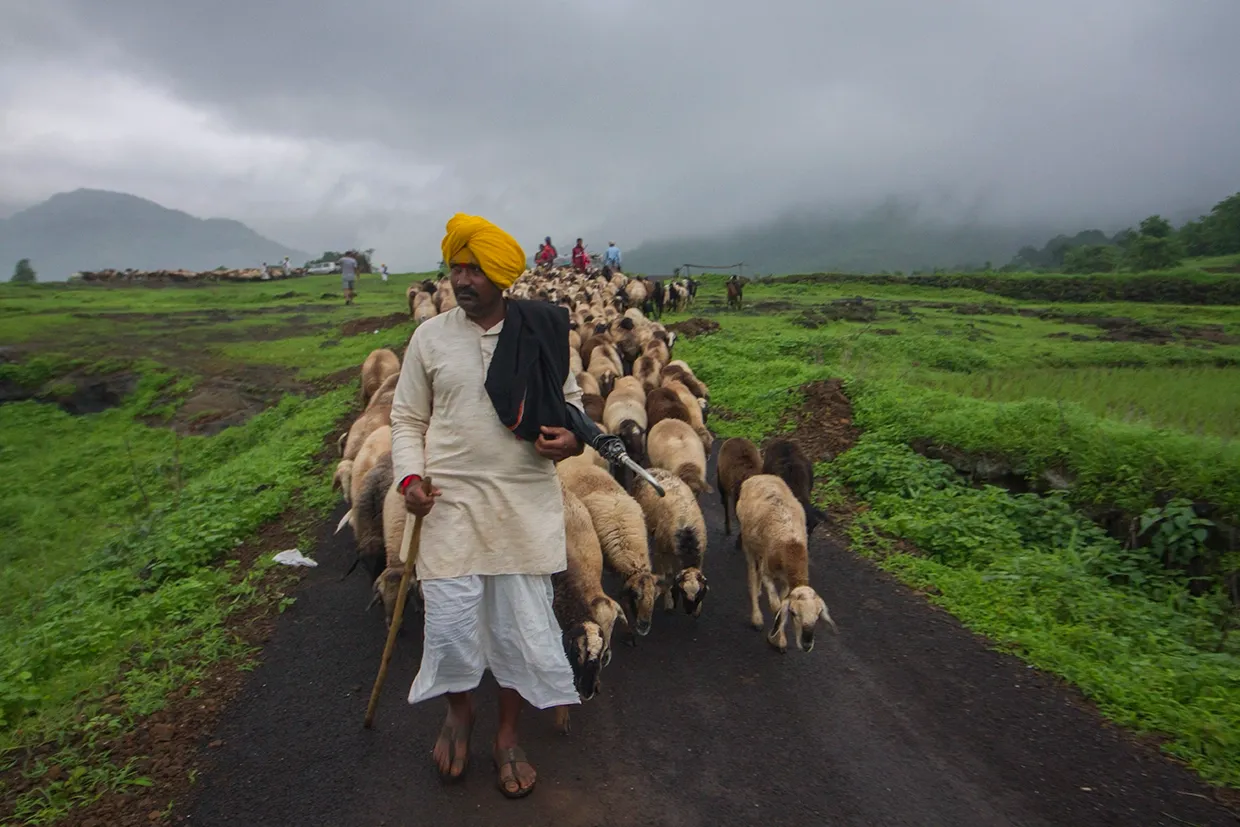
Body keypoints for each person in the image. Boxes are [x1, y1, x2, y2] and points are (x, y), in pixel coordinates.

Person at [389, 213, 585, 800]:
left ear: (502, 276)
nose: (462, 280)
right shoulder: (429, 338)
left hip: (521, 499)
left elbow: (572, 405)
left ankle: (506, 734)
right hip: (448, 502)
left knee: (517, 627)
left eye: (475, 270)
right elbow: (406, 419)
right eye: (457, 268)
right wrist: (409, 479)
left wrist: (571, 440)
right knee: (451, 623)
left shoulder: (542, 331)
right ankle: (459, 710)